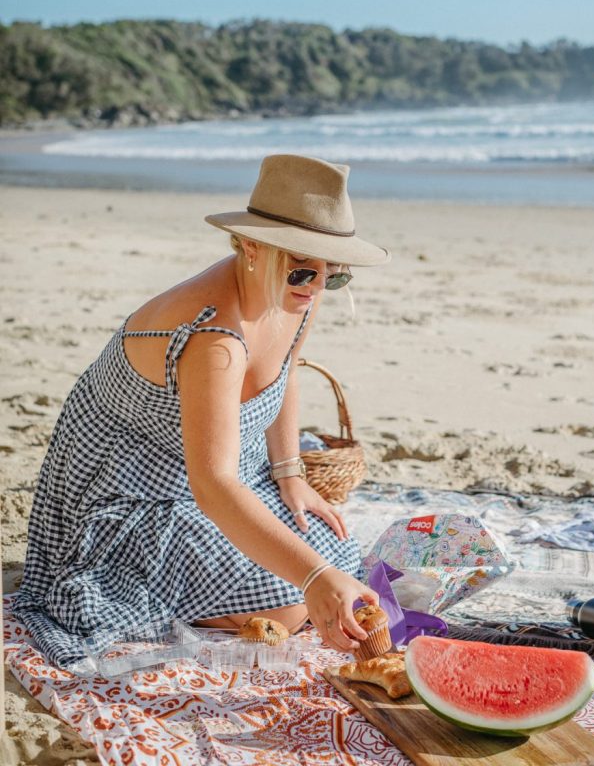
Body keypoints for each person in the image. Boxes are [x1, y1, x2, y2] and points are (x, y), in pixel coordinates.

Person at [15, 154, 390, 668]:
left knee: (339, 559)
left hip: (217, 471)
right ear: (251, 247)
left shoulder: (298, 286)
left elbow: (287, 371)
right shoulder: (215, 338)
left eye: (335, 273)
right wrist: (312, 578)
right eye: (305, 268)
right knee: (293, 599)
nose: (317, 285)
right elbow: (213, 486)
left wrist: (289, 473)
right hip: (129, 495)